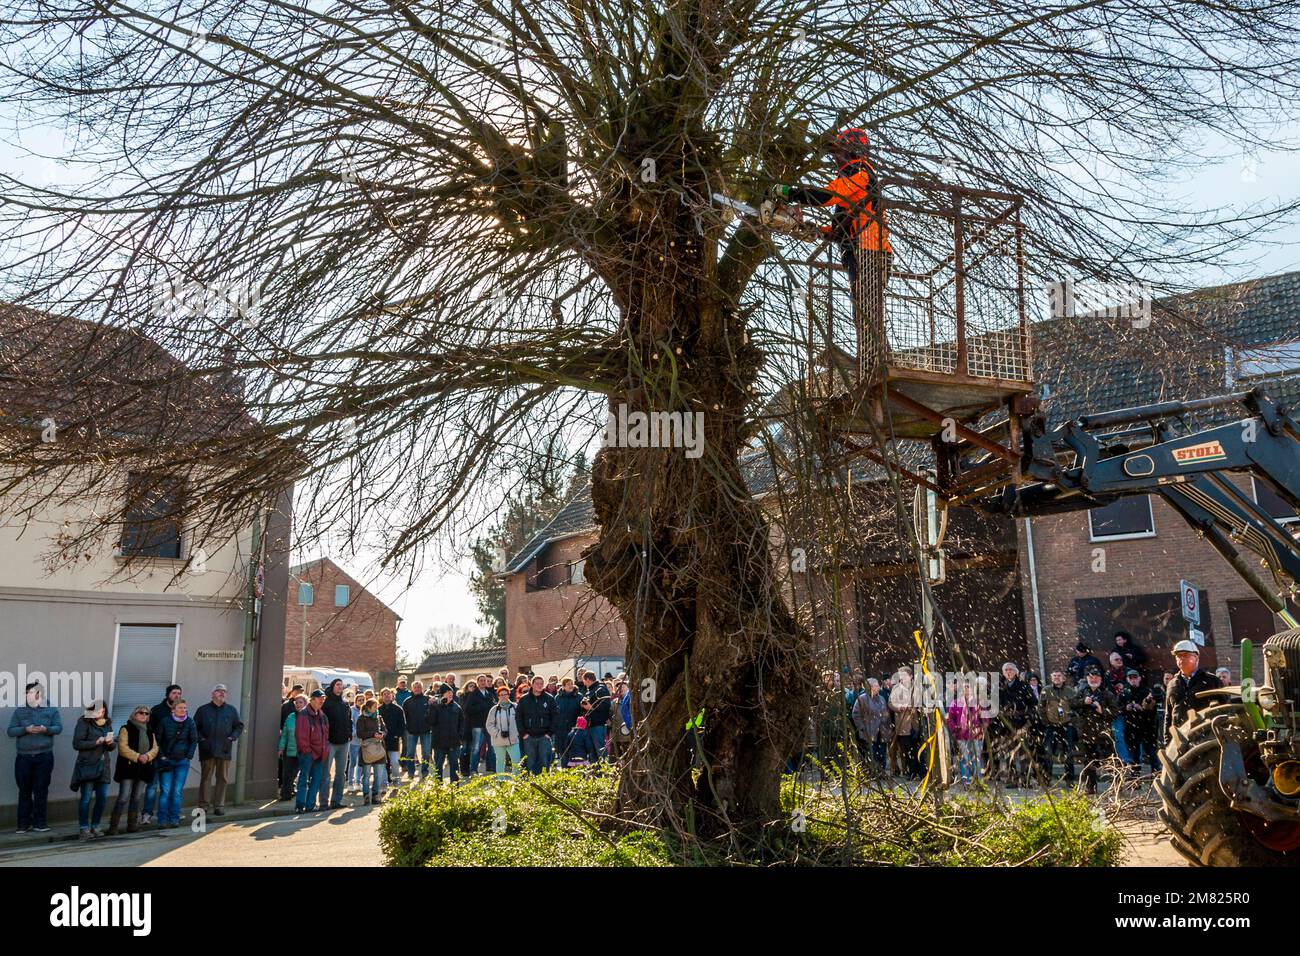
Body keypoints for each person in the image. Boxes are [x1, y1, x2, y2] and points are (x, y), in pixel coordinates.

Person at [773, 127, 892, 358]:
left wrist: (789, 192)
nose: (835, 158)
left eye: (839, 152)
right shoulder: (851, 184)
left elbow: (825, 196)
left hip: (870, 250)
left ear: (852, 151)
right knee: (864, 307)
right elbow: (840, 228)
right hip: (860, 250)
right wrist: (817, 231)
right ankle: (874, 357)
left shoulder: (861, 174)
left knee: (867, 308)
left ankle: (878, 359)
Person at [9, 681, 62, 833]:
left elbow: (58, 728)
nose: (27, 695)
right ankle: (23, 824)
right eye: (26, 692)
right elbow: (11, 731)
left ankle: (41, 823)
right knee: (24, 790)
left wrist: (46, 729)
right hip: (24, 757)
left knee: (41, 789)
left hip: (44, 756)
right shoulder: (20, 711)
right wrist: (25, 729)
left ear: (39, 694)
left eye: (30, 692)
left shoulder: (51, 710)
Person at [108, 704, 158, 835]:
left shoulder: (150, 731)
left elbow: (155, 748)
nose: (144, 715)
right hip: (128, 768)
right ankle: (113, 826)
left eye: (147, 713)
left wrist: (147, 756)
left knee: (136, 797)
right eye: (141, 713)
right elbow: (123, 747)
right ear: (134, 715)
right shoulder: (126, 728)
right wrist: (138, 756)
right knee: (123, 797)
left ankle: (132, 825)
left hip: (144, 768)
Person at [193, 684, 243, 816]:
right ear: (212, 694)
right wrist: (201, 740)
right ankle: (203, 806)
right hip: (207, 750)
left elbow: (238, 726)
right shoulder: (202, 710)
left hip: (224, 749)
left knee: (223, 778)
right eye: (219, 691)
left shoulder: (231, 710)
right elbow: (194, 728)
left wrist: (232, 738)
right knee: (206, 778)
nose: (222, 693)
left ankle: (219, 806)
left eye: (224, 691)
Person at [71, 700, 115, 840]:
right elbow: (77, 743)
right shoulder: (84, 722)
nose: (100, 713)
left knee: (102, 798)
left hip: (103, 766)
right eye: (97, 710)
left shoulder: (107, 723)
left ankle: (95, 826)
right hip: (88, 765)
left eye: (102, 711)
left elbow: (112, 747)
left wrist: (110, 743)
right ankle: (84, 828)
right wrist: (95, 742)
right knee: (86, 798)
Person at [1164, 639, 1221, 744]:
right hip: (1181, 740)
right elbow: (1169, 715)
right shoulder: (1172, 684)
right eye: (1178, 656)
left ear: (1196, 657)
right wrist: (1168, 741)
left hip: (1207, 738)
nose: (1181, 658)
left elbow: (1224, 708)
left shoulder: (1211, 681)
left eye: (1185, 655)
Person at [155, 697, 198, 828]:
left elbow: (193, 740)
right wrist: (161, 756)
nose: (183, 710)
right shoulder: (165, 722)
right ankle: (162, 820)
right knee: (165, 791)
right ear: (173, 710)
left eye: (185, 708)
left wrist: (188, 756)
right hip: (167, 761)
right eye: (180, 708)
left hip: (182, 762)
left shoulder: (190, 722)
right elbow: (157, 740)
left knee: (177, 791)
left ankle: (174, 818)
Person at [990, 662, 1035, 788]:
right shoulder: (999, 687)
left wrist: (1028, 718)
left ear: (1016, 671)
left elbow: (1033, 703)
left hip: (1022, 723)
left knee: (1024, 753)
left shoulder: (1024, 686)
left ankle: (1026, 779)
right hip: (1006, 725)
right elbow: (993, 705)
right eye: (1006, 670)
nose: (1009, 672)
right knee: (1009, 753)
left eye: (1011, 669)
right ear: (1003, 673)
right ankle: (1013, 779)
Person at [143, 683, 182, 826]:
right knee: (152, 786)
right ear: (167, 695)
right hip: (156, 754)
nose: (176, 696)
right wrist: (154, 751)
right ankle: (146, 814)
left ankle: (172, 813)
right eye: (174, 693)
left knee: (171, 788)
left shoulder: (181, 711)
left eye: (179, 693)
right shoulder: (157, 711)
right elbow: (150, 732)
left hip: (173, 756)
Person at [1075, 666, 1118, 795]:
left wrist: (1102, 711)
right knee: (1089, 762)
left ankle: (1115, 785)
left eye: (1096, 677)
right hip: (1087, 733)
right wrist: (1083, 702)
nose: (1093, 679)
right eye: (1090, 677)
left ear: (1100, 678)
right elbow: (1072, 704)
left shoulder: (1107, 693)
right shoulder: (1082, 692)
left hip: (1103, 733)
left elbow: (1115, 712)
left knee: (1110, 760)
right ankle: (1090, 787)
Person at [294, 690, 331, 813]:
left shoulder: (322, 715)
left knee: (316, 780)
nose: (322, 701)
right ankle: (300, 805)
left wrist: (324, 750)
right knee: (304, 779)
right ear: (312, 700)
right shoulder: (304, 715)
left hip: (320, 754)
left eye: (323, 699)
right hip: (308, 754)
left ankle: (310, 805)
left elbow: (326, 735)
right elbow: (301, 736)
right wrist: (308, 751)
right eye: (319, 698)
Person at [1038, 670, 1077, 783]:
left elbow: (1076, 706)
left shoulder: (1070, 691)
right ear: (1051, 677)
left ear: (1064, 678)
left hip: (1067, 726)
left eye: (1059, 676)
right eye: (1054, 675)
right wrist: (1046, 722)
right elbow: (1041, 708)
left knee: (1068, 753)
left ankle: (1069, 780)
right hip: (1051, 726)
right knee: (1048, 752)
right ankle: (1046, 778)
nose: (1056, 678)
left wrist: (1071, 719)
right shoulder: (1046, 690)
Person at [1119, 669, 1160, 774]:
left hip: (1147, 726)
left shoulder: (1147, 691)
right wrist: (1125, 708)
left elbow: (1153, 709)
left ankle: (1155, 774)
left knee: (1151, 752)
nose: (1133, 680)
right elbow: (1118, 708)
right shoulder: (1124, 692)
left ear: (1139, 678)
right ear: (1127, 679)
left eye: (1135, 677)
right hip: (1132, 726)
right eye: (1130, 678)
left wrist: (1142, 708)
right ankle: (1135, 778)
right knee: (1134, 754)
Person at [946, 681, 987, 785]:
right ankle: (967, 780)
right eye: (964, 687)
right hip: (961, 735)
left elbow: (986, 718)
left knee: (976, 758)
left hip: (976, 735)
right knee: (965, 758)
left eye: (968, 687)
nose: (966, 689)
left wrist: (980, 727)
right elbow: (950, 719)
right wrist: (956, 728)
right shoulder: (955, 703)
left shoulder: (979, 702)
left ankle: (978, 780)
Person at [320, 678, 352, 808]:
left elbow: (349, 721)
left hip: (344, 742)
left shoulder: (345, 704)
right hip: (329, 743)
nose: (340, 687)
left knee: (340, 774)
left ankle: (336, 801)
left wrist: (349, 734)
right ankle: (323, 802)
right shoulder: (326, 703)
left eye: (341, 685)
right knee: (325, 774)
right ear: (332, 686)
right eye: (337, 685)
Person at [516, 675, 557, 774]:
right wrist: (523, 734)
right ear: (532, 684)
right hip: (528, 737)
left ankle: (544, 784)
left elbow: (555, 717)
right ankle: (531, 785)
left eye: (541, 684)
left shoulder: (549, 699)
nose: (540, 685)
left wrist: (549, 733)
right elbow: (518, 718)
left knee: (544, 763)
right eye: (537, 683)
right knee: (530, 763)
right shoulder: (524, 699)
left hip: (544, 737)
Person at [888, 667, 921, 778]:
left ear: (910, 676)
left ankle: (916, 771)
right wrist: (899, 707)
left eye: (904, 676)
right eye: (900, 676)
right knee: (905, 750)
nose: (902, 678)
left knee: (915, 748)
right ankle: (908, 771)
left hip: (914, 723)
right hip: (902, 725)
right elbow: (890, 703)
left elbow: (920, 702)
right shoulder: (896, 688)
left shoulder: (916, 688)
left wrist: (913, 706)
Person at [851, 678, 890, 770]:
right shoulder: (862, 698)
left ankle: (882, 772)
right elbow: (855, 714)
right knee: (872, 753)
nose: (879, 687)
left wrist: (888, 728)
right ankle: (873, 773)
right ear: (870, 687)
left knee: (882, 753)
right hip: (869, 732)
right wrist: (862, 727)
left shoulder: (882, 699)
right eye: (876, 685)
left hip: (882, 732)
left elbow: (886, 714)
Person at [430, 683, 464, 784]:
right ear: (442, 694)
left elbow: (462, 723)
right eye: (448, 693)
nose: (450, 695)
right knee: (438, 766)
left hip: (454, 742)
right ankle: (438, 788)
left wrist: (459, 737)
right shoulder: (435, 706)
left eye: (451, 693)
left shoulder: (457, 707)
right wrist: (432, 707)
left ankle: (454, 787)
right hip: (439, 742)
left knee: (454, 766)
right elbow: (430, 721)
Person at [355, 697, 388, 804]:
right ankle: (366, 795)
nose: (376, 708)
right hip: (367, 749)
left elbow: (385, 730)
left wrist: (382, 734)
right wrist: (372, 734)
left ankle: (375, 795)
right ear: (369, 707)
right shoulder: (362, 718)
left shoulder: (379, 717)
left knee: (378, 775)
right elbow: (360, 733)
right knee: (366, 775)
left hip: (379, 748)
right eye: (374, 706)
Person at [486, 685, 521, 777]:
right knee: (500, 762)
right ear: (498, 696)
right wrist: (497, 733)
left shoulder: (515, 707)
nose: (503, 696)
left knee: (516, 762)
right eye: (501, 695)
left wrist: (517, 733)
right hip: (498, 740)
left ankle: (516, 783)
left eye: (505, 694)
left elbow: (520, 722)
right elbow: (489, 725)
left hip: (513, 740)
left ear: (509, 695)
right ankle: (501, 782)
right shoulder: (494, 709)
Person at [277, 694, 307, 801]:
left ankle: (291, 791)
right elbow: (284, 734)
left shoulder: (308, 718)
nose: (298, 704)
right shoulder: (290, 717)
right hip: (289, 751)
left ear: (305, 704)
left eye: (300, 702)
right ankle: (285, 795)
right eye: (296, 703)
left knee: (294, 774)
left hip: (302, 751)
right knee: (287, 774)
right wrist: (280, 748)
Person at [401, 680, 432, 779]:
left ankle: (424, 771)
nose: (417, 689)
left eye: (419, 687)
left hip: (426, 730)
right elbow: (403, 717)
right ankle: (411, 772)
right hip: (411, 731)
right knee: (410, 753)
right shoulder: (407, 701)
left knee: (426, 753)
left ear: (422, 688)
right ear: (412, 688)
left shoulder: (428, 700)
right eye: (415, 687)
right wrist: (406, 728)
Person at [461, 679, 491, 776]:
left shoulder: (488, 693)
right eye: (481, 680)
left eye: (484, 680)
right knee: (476, 749)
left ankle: (492, 768)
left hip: (488, 725)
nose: (483, 682)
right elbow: (467, 709)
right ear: (478, 682)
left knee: (492, 748)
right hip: (477, 725)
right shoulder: (473, 694)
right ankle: (473, 770)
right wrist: (482, 706)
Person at [378, 687, 406, 789]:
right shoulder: (378, 710)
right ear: (381, 696)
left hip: (393, 740)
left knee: (394, 762)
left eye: (388, 693)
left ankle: (396, 780)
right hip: (381, 741)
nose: (387, 695)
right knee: (383, 764)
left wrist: (397, 735)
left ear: (392, 695)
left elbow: (402, 725)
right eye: (384, 694)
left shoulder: (398, 709)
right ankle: (384, 784)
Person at [553, 678, 583, 765]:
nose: (570, 686)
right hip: (561, 730)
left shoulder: (579, 696)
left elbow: (582, 712)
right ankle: (565, 774)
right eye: (568, 684)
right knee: (563, 753)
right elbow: (555, 713)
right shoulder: (558, 697)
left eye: (571, 683)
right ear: (563, 686)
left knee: (575, 753)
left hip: (574, 728)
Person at [607, 680, 630, 761]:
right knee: (614, 759)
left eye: (623, 686)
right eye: (618, 687)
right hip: (616, 737)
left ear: (628, 687)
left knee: (628, 758)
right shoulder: (614, 703)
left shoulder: (632, 701)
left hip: (629, 737)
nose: (621, 688)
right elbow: (608, 715)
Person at [346, 691, 363, 793]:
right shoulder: (352, 710)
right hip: (353, 741)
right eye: (359, 700)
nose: (361, 701)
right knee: (352, 763)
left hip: (363, 741)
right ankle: (350, 783)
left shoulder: (365, 710)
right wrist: (355, 733)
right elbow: (351, 723)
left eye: (363, 700)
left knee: (360, 763)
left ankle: (358, 782)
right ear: (356, 701)